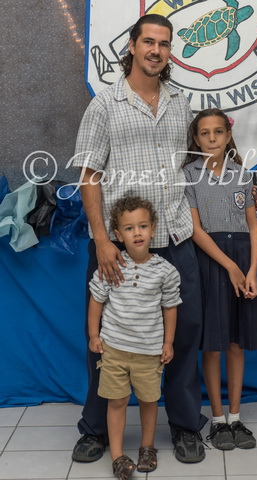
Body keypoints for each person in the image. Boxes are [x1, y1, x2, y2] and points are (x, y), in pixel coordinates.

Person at [72, 14, 207, 465]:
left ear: (170, 52)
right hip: (120, 247)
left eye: (164, 44)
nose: (156, 50)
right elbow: (89, 175)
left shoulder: (180, 103)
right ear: (131, 46)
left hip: (175, 236)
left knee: (183, 335)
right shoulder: (104, 105)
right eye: (148, 41)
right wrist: (101, 240)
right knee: (106, 338)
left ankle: (185, 426)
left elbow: (188, 166)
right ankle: (95, 430)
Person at [183, 109, 257, 450]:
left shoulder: (242, 174)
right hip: (212, 260)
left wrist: (252, 269)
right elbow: (195, 230)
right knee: (214, 343)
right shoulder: (188, 175)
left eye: (218, 132)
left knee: (235, 342)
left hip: (243, 260)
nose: (212, 138)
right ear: (196, 139)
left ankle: (235, 417)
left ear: (228, 137)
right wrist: (230, 266)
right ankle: (217, 420)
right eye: (205, 133)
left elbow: (253, 226)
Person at [89, 196, 181, 476]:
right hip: (114, 349)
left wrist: (168, 342)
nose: (137, 233)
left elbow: (170, 307)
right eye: (129, 228)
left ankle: (147, 447)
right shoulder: (111, 265)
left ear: (153, 229)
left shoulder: (165, 270)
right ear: (118, 235)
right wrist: (94, 335)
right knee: (116, 402)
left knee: (149, 401)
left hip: (149, 351)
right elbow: (96, 300)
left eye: (142, 226)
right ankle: (117, 456)